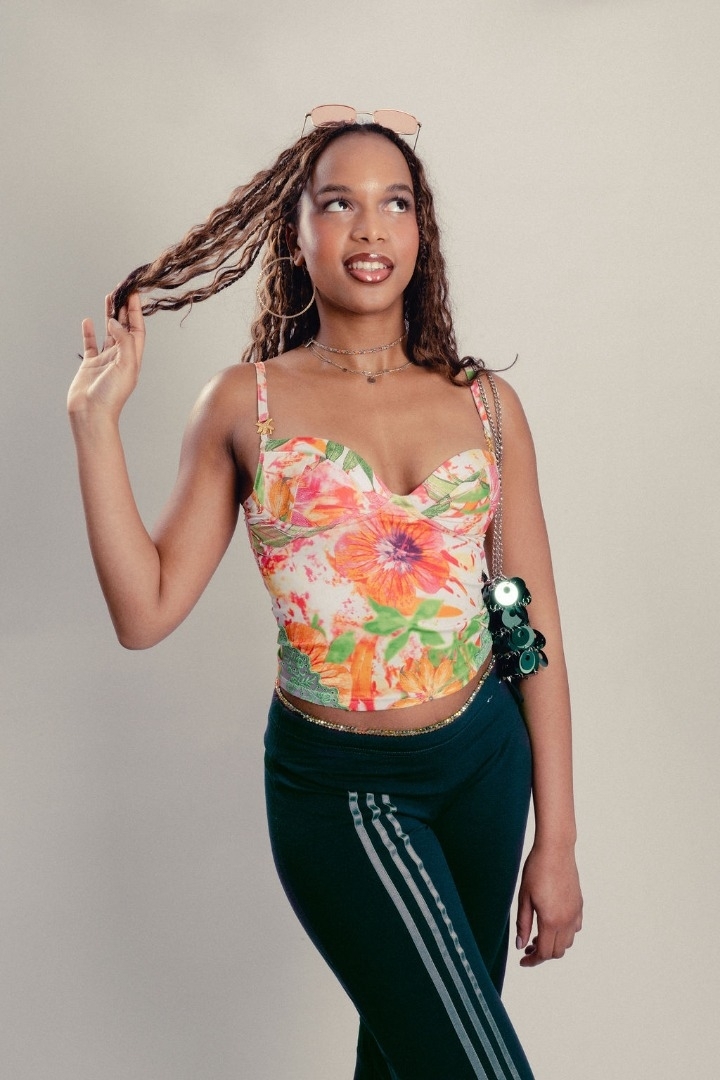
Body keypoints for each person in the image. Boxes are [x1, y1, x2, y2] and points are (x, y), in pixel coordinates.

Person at [68, 108, 583, 1080]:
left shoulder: (484, 404)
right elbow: (146, 611)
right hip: (342, 790)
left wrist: (556, 838)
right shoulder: (245, 403)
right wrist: (95, 427)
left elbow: (528, 623)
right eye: (338, 203)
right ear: (296, 234)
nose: (369, 228)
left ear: (422, 231)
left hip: (486, 766)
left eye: (395, 203)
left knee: (410, 1062)